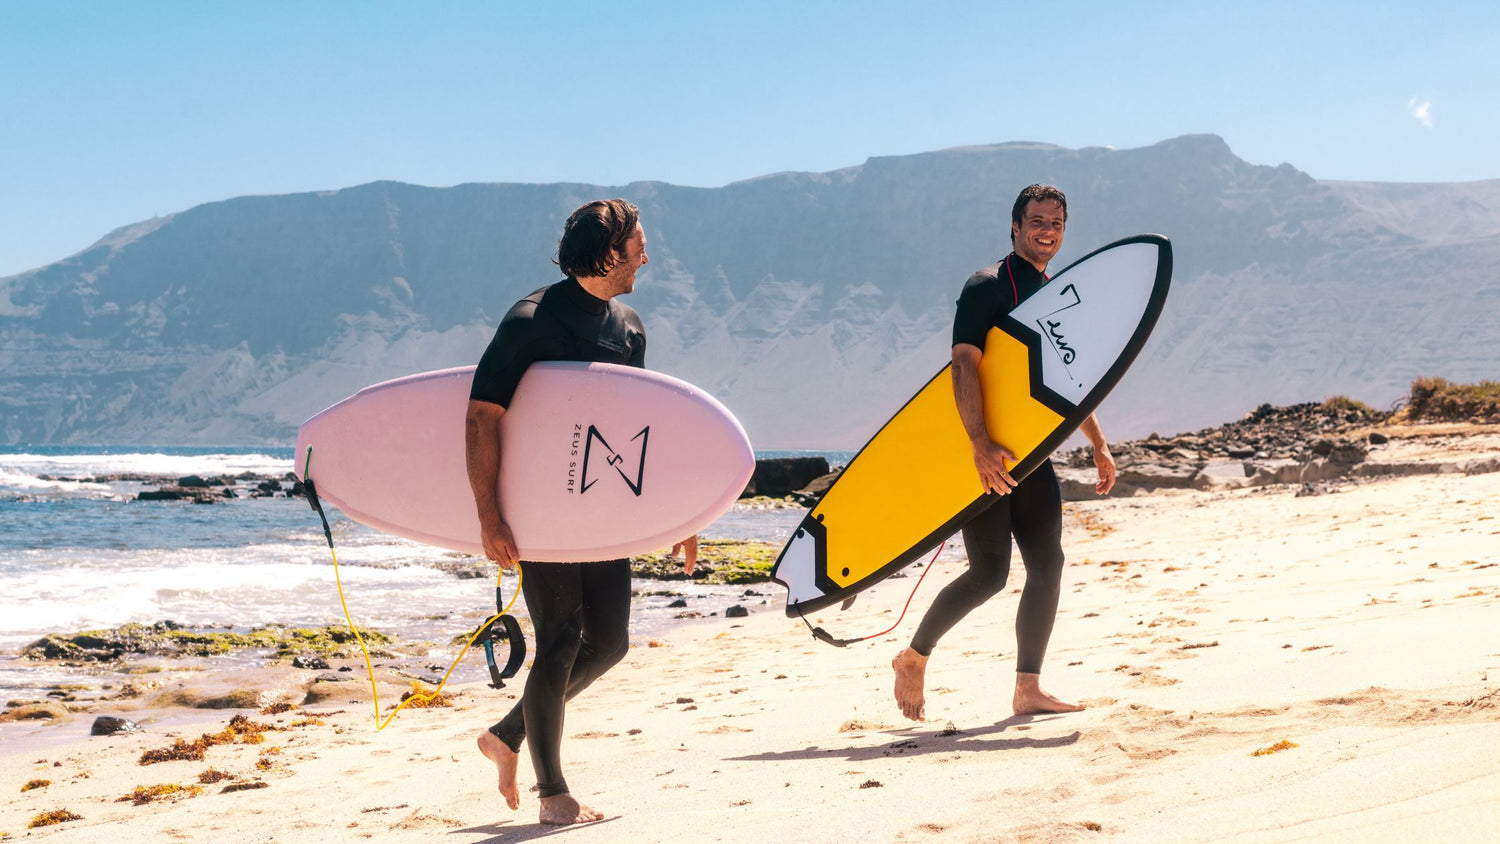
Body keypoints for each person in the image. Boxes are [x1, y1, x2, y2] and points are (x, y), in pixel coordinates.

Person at [465, 198, 697, 825]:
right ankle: (553, 794)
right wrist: (491, 517)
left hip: (601, 507)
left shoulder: (629, 325)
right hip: (542, 510)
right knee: (561, 640)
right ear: (606, 253)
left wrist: (684, 514)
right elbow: (482, 416)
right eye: (638, 246)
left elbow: (638, 426)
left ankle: (506, 736)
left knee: (612, 642)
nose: (646, 256)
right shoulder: (529, 321)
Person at [892, 184, 1116, 721]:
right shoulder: (986, 287)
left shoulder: (1055, 295)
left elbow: (1068, 381)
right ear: (1014, 227)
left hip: (1034, 455)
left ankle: (1027, 688)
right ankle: (914, 657)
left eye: (1057, 223)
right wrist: (978, 444)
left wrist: (1100, 445)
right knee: (989, 573)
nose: (1047, 231)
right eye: (1037, 220)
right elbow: (964, 365)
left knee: (1048, 564)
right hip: (989, 452)